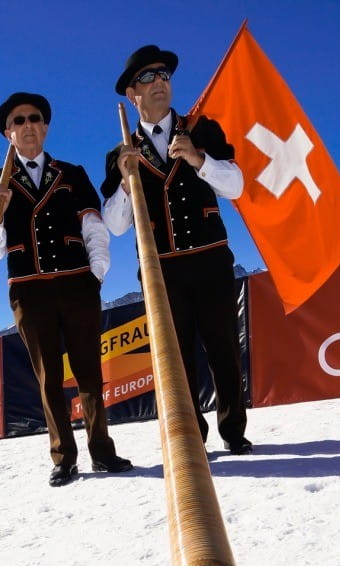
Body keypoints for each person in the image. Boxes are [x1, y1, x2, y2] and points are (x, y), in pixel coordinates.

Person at [102, 46, 252, 455]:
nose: (160, 82)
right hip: (160, 272)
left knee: (224, 349)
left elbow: (237, 185)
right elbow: (115, 225)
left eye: (164, 73)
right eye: (148, 77)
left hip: (210, 259)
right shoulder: (120, 153)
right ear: (133, 93)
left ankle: (234, 432)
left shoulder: (202, 129)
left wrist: (198, 159)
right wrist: (124, 182)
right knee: (176, 360)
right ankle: (191, 440)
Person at [0, 92, 132, 486]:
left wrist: (96, 274)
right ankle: (63, 457)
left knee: (89, 373)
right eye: (19, 120)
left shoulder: (72, 173)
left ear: (45, 127)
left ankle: (102, 451)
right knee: (47, 377)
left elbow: (94, 227)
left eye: (35, 118)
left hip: (77, 285)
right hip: (29, 293)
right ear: (7, 133)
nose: (28, 125)